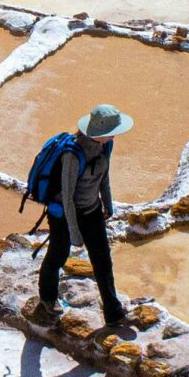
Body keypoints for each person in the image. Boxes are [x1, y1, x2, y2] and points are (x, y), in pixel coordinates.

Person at [29, 103, 132, 333]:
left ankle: (113, 312)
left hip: (92, 210)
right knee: (58, 255)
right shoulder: (72, 155)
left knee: (102, 260)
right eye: (113, 131)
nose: (116, 135)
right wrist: (75, 234)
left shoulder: (105, 147)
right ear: (101, 133)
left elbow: (104, 177)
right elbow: (67, 197)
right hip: (65, 215)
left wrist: (107, 203)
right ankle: (47, 299)